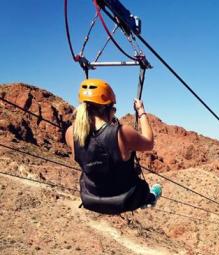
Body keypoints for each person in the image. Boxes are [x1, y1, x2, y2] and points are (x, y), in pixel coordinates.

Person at [65, 78, 162, 214]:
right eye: (114, 109)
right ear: (106, 108)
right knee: (151, 190)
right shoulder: (122, 133)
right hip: (125, 198)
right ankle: (150, 198)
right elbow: (149, 142)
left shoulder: (70, 133)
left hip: (91, 198)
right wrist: (141, 111)